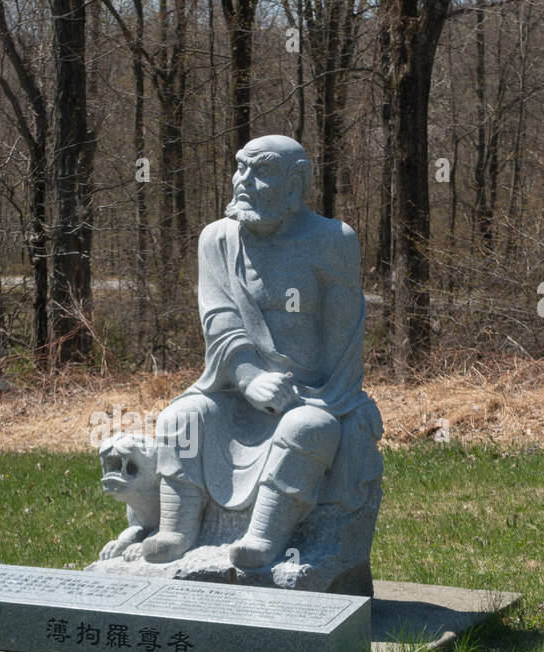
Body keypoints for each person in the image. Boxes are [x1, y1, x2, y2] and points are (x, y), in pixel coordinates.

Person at [142, 135, 381, 569]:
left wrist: (318, 397)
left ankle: (265, 538)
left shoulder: (332, 240)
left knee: (308, 428)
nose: (244, 181)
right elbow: (219, 320)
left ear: (295, 183)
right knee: (181, 418)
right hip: (235, 390)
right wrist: (250, 378)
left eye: (263, 171)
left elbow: (344, 338)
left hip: (309, 396)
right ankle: (178, 530)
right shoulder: (217, 240)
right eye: (240, 168)